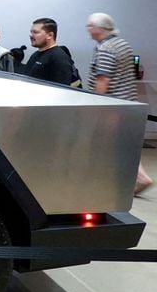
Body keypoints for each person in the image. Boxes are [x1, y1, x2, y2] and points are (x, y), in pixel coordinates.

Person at [86, 12, 152, 194]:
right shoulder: (123, 44)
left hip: (111, 107)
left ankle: (110, 180)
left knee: (106, 144)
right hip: (127, 102)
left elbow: (103, 80)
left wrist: (96, 106)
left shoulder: (106, 48)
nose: (88, 29)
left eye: (90, 26)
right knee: (122, 143)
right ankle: (138, 177)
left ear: (100, 28)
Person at [22, 18, 72, 85]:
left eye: (35, 32)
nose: (31, 35)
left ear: (50, 35)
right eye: (31, 32)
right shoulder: (35, 54)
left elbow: (61, 89)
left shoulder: (59, 58)